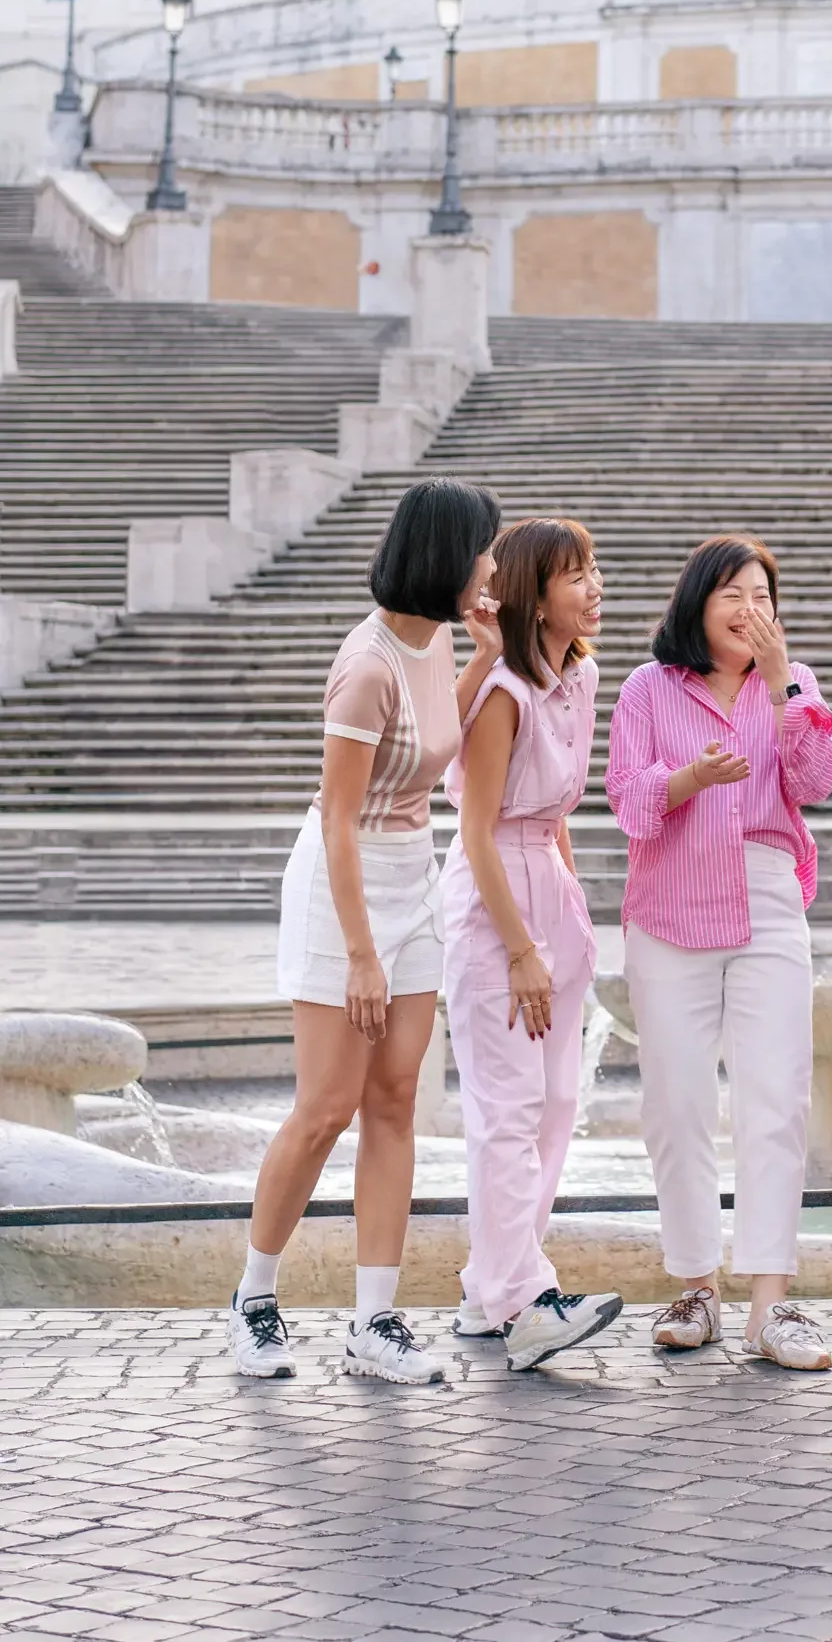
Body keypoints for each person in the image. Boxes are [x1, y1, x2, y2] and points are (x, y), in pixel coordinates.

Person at [228, 477, 502, 1384]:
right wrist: (358, 955)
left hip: (410, 878)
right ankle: (254, 1298)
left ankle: (373, 1323)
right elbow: (339, 817)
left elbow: (428, 750)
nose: (493, 567)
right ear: (446, 557)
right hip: (338, 889)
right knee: (325, 1108)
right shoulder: (368, 661)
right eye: (483, 551)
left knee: (393, 1101)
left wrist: (481, 661)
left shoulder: (438, 642)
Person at [605, 533, 832, 1370]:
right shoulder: (647, 688)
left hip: (768, 900)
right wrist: (687, 781)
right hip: (668, 910)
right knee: (676, 1105)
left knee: (777, 1100)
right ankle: (696, 1286)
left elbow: (812, 783)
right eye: (735, 595)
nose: (752, 610)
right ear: (698, 603)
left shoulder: (794, 684)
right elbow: (628, 801)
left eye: (764, 596)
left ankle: (770, 1304)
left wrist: (783, 687)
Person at [442, 515, 624, 1372]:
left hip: (551, 887)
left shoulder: (577, 680)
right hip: (494, 902)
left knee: (554, 1106)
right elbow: (476, 832)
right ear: (531, 594)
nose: (593, 587)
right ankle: (523, 1299)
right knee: (506, 1110)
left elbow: (555, 817)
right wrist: (519, 948)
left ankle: (491, 1290)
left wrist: (570, 918)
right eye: (573, 575)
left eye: (593, 570)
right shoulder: (504, 692)